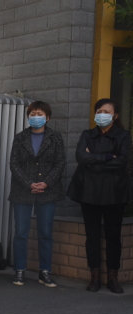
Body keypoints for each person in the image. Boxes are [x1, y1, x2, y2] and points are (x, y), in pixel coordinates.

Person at [66, 98, 132, 294]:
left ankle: (113, 277)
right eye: (99, 111)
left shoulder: (123, 135)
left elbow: (122, 161)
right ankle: (94, 276)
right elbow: (80, 157)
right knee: (92, 236)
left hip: (114, 191)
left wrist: (92, 160)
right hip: (89, 191)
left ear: (115, 116)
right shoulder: (87, 134)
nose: (102, 115)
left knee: (113, 236)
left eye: (106, 111)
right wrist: (107, 157)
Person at [8, 101, 66, 287]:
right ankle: (19, 270)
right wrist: (29, 183)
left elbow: (60, 163)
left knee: (45, 233)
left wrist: (46, 183)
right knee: (21, 233)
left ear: (47, 117)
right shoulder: (20, 137)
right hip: (22, 190)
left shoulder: (55, 137)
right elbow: (14, 164)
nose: (35, 117)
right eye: (32, 114)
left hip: (48, 191)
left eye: (39, 114)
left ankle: (45, 271)